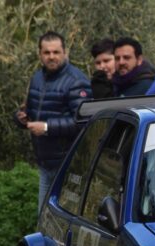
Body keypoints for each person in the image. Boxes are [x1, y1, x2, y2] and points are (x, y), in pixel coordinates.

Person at [14, 31, 91, 212]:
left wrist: (47, 128)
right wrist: (20, 117)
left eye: (56, 52)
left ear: (65, 53)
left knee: (63, 223)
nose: (51, 57)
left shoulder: (76, 81)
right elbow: (31, 112)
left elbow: (84, 122)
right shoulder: (37, 78)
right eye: (47, 52)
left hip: (68, 166)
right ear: (40, 54)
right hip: (45, 164)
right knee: (44, 220)